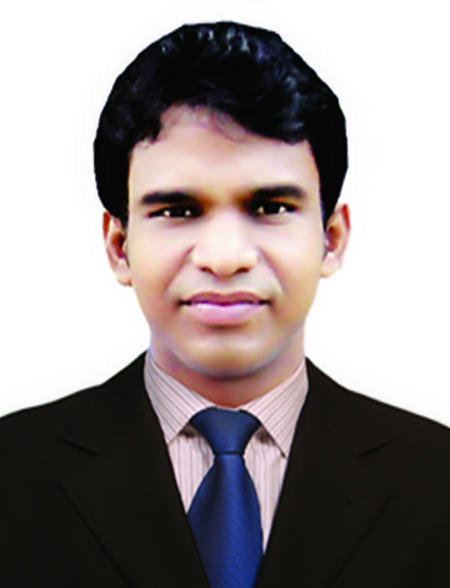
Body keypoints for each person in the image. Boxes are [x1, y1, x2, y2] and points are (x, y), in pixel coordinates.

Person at [1, 21, 449, 588]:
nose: (225, 256)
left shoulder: (437, 479)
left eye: (271, 206)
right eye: (177, 210)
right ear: (119, 246)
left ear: (332, 238)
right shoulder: (12, 472)